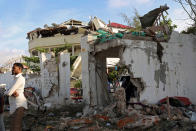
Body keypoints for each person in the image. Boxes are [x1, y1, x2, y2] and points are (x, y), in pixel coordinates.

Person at [5, 63, 27, 131]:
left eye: (14, 68)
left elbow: (8, 92)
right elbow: (6, 91)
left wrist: (9, 92)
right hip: (13, 105)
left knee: (16, 126)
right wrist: (9, 92)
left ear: (20, 69)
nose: (12, 69)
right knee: (13, 126)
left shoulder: (20, 78)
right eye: (12, 68)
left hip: (19, 104)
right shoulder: (14, 79)